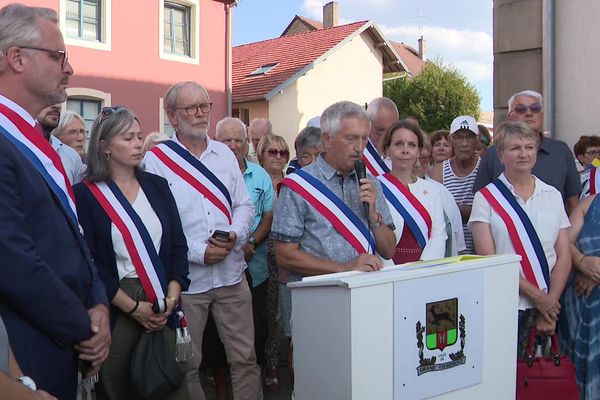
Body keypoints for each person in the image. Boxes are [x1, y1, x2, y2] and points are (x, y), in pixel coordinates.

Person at [0, 4, 110, 399]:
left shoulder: (35, 141)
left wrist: (98, 302)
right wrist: (84, 327)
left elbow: (75, 239)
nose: (69, 68)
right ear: (17, 58)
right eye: (58, 56)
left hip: (62, 341)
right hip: (29, 353)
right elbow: (14, 262)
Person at [143, 81, 261, 400]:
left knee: (245, 360)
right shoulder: (155, 161)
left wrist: (234, 235)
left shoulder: (224, 153)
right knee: (188, 365)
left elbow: (244, 204)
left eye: (205, 106)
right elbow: (157, 224)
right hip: (188, 282)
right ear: (171, 114)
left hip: (231, 275)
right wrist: (199, 253)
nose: (200, 114)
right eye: (191, 108)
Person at [73, 107, 190, 399]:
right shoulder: (85, 195)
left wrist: (171, 300)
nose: (138, 143)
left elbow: (177, 246)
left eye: (139, 136)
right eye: (128, 138)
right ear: (105, 146)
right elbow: (89, 263)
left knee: (169, 384)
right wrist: (134, 309)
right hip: (117, 302)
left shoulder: (158, 186)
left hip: (162, 299)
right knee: (118, 387)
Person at [469, 121, 571, 357]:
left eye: (529, 147)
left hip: (548, 307)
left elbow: (564, 255)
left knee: (540, 380)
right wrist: (539, 299)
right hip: (505, 304)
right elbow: (490, 259)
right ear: (501, 154)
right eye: (515, 148)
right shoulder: (485, 198)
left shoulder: (552, 195)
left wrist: (549, 305)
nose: (523, 154)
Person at [272, 100, 396, 278]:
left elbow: (389, 251)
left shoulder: (370, 182)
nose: (359, 148)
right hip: (319, 296)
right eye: (351, 138)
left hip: (367, 292)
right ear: (327, 139)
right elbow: (284, 255)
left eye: (364, 138)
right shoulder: (298, 186)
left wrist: (374, 217)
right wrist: (343, 268)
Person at [216, 117, 279, 391]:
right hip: (218, 266)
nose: (232, 145)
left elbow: (267, 215)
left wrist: (251, 241)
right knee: (218, 334)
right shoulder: (206, 175)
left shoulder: (260, 175)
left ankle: (258, 376)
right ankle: (221, 385)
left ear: (246, 144)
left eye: (238, 140)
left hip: (256, 264)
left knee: (257, 324)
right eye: (226, 140)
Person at [473, 90, 581, 214]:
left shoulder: (561, 151)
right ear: (509, 117)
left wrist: (569, 234)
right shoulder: (493, 154)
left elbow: (573, 205)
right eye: (520, 109)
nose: (529, 113)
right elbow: (481, 204)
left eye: (535, 108)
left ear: (541, 115)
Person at [378, 120, 446, 264]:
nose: (405, 150)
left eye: (412, 145)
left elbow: (439, 236)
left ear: (419, 151)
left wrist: (422, 270)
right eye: (398, 144)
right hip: (386, 272)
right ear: (387, 148)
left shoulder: (433, 191)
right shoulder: (375, 186)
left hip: (424, 274)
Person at [559, 193, 600, 399]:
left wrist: (597, 274)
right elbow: (564, 240)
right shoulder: (591, 203)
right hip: (578, 309)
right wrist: (582, 261)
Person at [430, 116, 481, 254]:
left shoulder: (485, 167)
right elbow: (433, 212)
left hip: (480, 252)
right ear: (451, 139)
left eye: (469, 137)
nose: (464, 143)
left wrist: (453, 210)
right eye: (459, 137)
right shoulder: (439, 171)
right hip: (449, 251)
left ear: (477, 139)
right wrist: (471, 210)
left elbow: (492, 211)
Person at [37, 104, 86, 184]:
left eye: (82, 132)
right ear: (58, 134)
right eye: (73, 132)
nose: (80, 138)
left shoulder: (73, 157)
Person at [363, 97, 399, 175]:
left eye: (391, 130)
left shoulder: (402, 153)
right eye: (380, 130)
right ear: (367, 122)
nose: (386, 136)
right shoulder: (356, 152)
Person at [574, 135, 600, 200]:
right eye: (592, 153)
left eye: (599, 152)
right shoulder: (575, 179)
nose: (597, 156)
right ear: (581, 158)